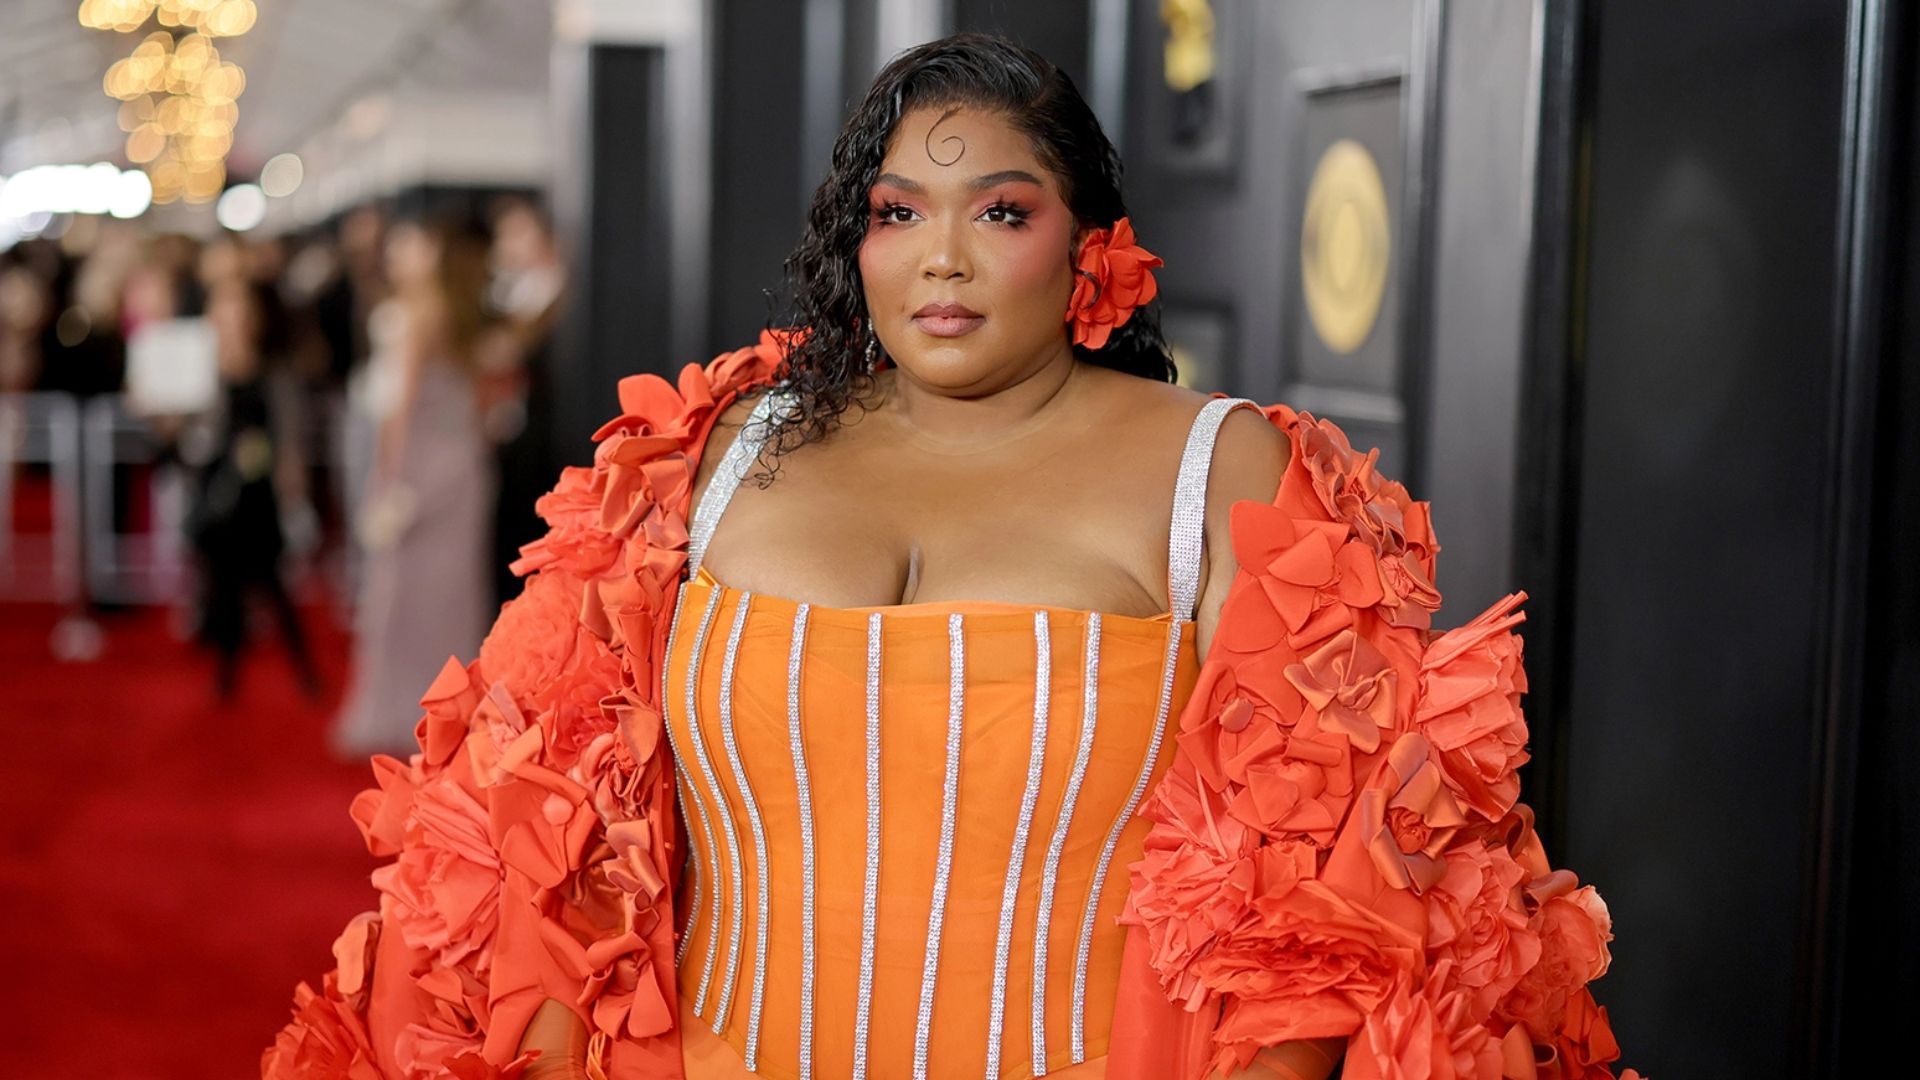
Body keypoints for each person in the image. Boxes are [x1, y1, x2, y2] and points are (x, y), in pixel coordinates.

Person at [266, 33, 1641, 1080]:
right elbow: (536, 827)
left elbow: (1325, 903)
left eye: (998, 211)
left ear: (1091, 247)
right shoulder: (713, 451)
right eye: (896, 212)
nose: (942, 260)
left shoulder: (1220, 472)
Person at [328, 216, 496, 758]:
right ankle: (451, 706)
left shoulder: (421, 314)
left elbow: (399, 407)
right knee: (444, 588)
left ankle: (411, 708)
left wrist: (388, 478)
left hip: (424, 466)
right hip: (458, 464)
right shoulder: (453, 310)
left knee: (405, 589)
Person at [184, 278, 320, 700]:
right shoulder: (202, 374)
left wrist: (292, 488)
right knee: (223, 587)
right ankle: (226, 676)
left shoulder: (272, 372)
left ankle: (305, 670)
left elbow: (289, 436)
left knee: (275, 585)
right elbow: (186, 438)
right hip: (217, 492)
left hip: (260, 498)